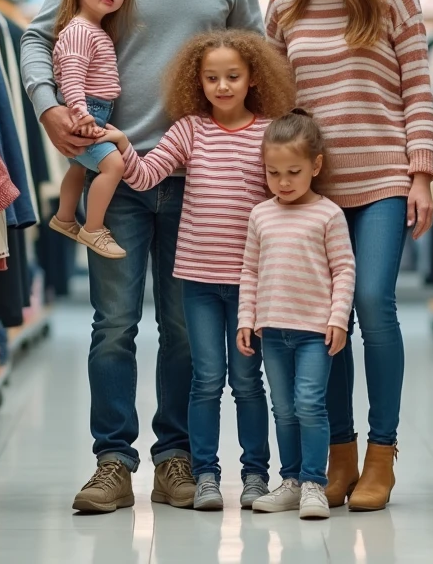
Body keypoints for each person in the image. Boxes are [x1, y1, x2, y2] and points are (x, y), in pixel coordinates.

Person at [20, 0, 265, 513]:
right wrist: (47, 107)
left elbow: (257, 60)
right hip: (116, 174)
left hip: (201, 181)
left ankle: (174, 458)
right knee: (114, 325)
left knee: (186, 330)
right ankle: (112, 462)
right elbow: (38, 36)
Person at [264, 0, 433, 512]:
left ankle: (381, 455)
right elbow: (276, 104)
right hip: (315, 191)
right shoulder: (283, 3)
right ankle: (337, 454)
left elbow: (417, 88)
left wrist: (421, 174)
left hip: (384, 176)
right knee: (321, 318)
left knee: (371, 302)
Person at [99, 30, 295, 511]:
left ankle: (255, 475)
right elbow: (147, 175)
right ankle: (205, 474)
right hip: (199, 284)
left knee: (247, 383)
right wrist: (122, 144)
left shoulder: (269, 133)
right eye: (211, 78)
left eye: (233, 76)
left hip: (250, 285)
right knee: (206, 380)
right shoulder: (189, 130)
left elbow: (284, 198)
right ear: (197, 82)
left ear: (253, 78)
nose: (222, 86)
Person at [236, 109, 356, 521]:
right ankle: (289, 482)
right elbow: (249, 270)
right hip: (272, 332)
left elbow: (344, 269)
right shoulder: (260, 214)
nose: (283, 182)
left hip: (313, 333)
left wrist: (338, 319)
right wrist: (246, 319)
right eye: (273, 173)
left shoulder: (328, 214)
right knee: (283, 408)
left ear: (315, 166)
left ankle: (313, 483)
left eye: (293, 172)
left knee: (309, 404)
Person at [46, 0, 136, 259]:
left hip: (93, 109)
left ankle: (64, 218)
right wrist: (81, 113)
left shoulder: (93, 29)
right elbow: (71, 78)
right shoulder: (80, 31)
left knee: (78, 167)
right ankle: (93, 228)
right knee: (113, 166)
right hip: (86, 111)